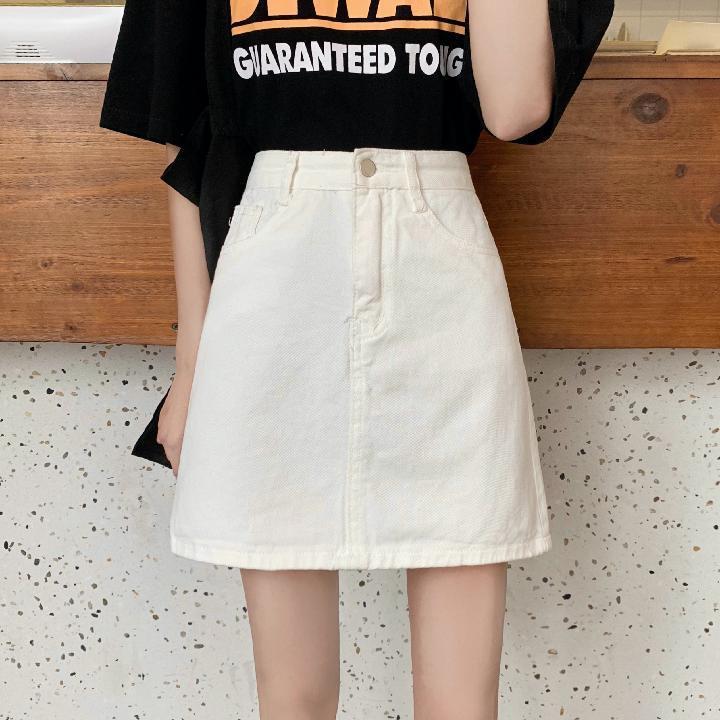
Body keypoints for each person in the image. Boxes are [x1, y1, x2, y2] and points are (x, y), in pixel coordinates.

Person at [100, 1, 614, 717]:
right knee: (293, 697)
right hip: (274, 273)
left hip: (440, 275)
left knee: (461, 704)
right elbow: (192, 144)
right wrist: (192, 367)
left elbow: (515, 107)